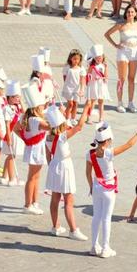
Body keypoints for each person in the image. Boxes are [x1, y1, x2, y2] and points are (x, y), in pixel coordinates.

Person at [86, 120, 137, 257]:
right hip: (108, 188)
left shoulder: (90, 153)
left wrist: (91, 186)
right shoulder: (108, 153)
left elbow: (87, 172)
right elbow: (129, 144)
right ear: (107, 140)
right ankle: (105, 248)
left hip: (96, 186)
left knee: (97, 216)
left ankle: (93, 246)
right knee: (106, 218)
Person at [45, 103, 89, 240]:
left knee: (55, 198)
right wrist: (87, 108)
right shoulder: (62, 136)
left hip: (54, 165)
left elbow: (48, 157)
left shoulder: (48, 137)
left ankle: (56, 227)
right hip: (64, 166)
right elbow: (79, 126)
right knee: (69, 200)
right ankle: (73, 230)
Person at [104, 5, 137, 113]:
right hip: (123, 52)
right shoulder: (121, 25)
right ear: (125, 13)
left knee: (131, 78)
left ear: (136, 13)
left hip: (134, 52)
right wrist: (115, 45)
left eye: (132, 12)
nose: (130, 14)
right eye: (128, 12)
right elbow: (107, 34)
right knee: (121, 78)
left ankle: (131, 102)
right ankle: (119, 102)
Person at [18, 82, 48, 214]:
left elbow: (15, 128)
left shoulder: (27, 117)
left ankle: (35, 202)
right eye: (42, 105)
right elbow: (51, 127)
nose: (44, 106)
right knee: (32, 177)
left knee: (36, 176)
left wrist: (25, 139)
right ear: (37, 107)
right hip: (36, 149)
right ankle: (27, 205)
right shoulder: (36, 120)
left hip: (35, 148)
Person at [85, 44, 110, 122]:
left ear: (103, 57)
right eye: (97, 58)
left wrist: (104, 76)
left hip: (101, 86)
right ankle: (89, 117)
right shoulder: (92, 66)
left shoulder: (104, 66)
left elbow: (106, 77)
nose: (99, 59)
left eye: (100, 57)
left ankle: (101, 118)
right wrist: (93, 78)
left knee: (101, 102)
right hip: (94, 85)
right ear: (94, 58)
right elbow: (88, 75)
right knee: (92, 102)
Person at [61, 49, 86, 124]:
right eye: (74, 59)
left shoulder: (81, 68)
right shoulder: (67, 67)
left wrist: (81, 89)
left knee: (75, 104)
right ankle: (66, 118)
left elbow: (82, 79)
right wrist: (66, 84)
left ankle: (73, 118)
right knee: (70, 104)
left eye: (77, 59)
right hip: (69, 88)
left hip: (77, 88)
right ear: (70, 58)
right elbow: (64, 77)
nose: (76, 61)